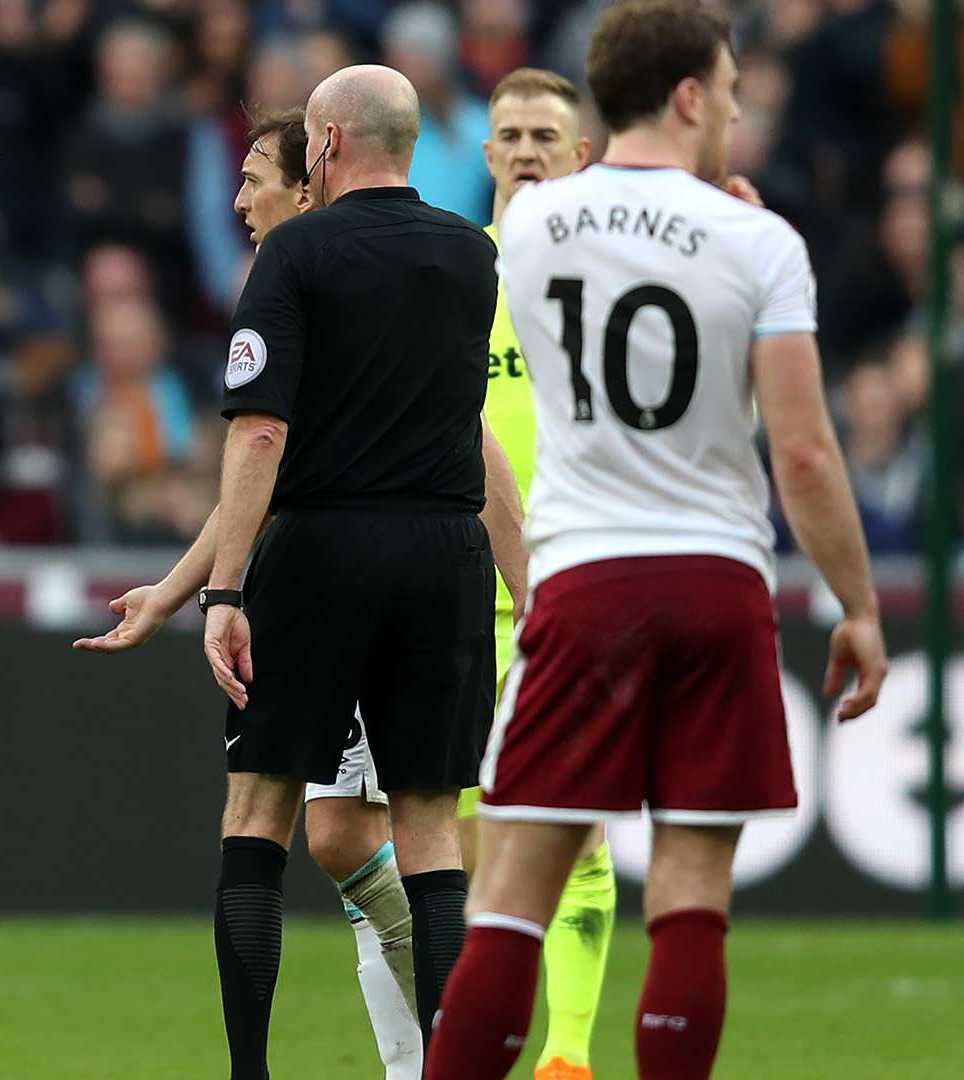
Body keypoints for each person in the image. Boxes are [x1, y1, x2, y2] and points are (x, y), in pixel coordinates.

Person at [425, 4, 889, 1077]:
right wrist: (858, 605)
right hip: (719, 581)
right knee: (687, 896)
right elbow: (808, 457)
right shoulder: (756, 238)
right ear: (688, 96)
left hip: (581, 582)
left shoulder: (530, 232)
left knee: (510, 899)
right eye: (728, 90)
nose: (733, 107)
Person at [80, 69, 517, 1079]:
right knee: (431, 834)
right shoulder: (470, 255)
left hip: (321, 553)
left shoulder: (295, 254)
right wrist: (526, 589)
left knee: (260, 815)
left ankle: (249, 1073)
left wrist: (225, 592)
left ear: (325, 143)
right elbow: (468, 433)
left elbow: (262, 437)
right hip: (443, 557)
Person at [463, 67, 611, 1080]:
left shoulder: (610, 279)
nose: (523, 148)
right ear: (486, 154)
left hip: (570, 582)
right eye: (508, 132)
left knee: (577, 830)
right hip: (458, 590)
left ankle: (568, 1055)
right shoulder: (450, 271)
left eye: (542, 135)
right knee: (472, 848)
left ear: (580, 155)